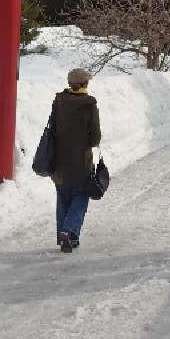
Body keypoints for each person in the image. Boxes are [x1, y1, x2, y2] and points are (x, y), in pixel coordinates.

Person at [51, 68, 101, 253]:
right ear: (84, 84)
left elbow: (52, 128)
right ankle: (69, 231)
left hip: (59, 161)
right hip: (80, 162)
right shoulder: (89, 104)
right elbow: (95, 138)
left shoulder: (59, 101)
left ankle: (67, 238)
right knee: (80, 196)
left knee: (63, 198)